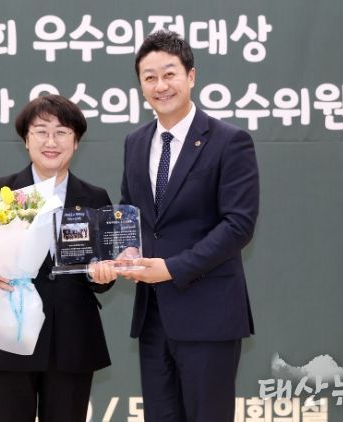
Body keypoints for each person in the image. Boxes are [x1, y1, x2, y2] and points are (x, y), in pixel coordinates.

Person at [117, 30, 260, 422]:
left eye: (169, 74)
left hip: (209, 315)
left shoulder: (229, 141)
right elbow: (130, 210)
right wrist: (127, 248)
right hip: (153, 318)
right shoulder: (135, 142)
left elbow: (238, 224)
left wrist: (172, 268)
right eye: (149, 77)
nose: (160, 86)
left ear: (191, 76)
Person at [0, 95, 116, 422]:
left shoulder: (95, 197)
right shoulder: (0, 191)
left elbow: (103, 271)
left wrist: (102, 275)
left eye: (62, 132)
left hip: (72, 340)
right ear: (26, 140)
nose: (51, 142)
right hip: (10, 333)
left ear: (76, 141)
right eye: (41, 132)